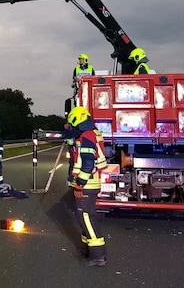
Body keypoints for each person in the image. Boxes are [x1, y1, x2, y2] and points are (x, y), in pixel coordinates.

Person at [66, 106, 108, 266]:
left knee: (86, 218)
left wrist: (79, 186)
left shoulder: (87, 137)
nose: (71, 126)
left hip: (87, 185)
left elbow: (88, 163)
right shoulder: (90, 133)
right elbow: (72, 142)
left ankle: (98, 254)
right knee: (83, 217)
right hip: (91, 183)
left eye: (72, 123)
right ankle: (87, 250)